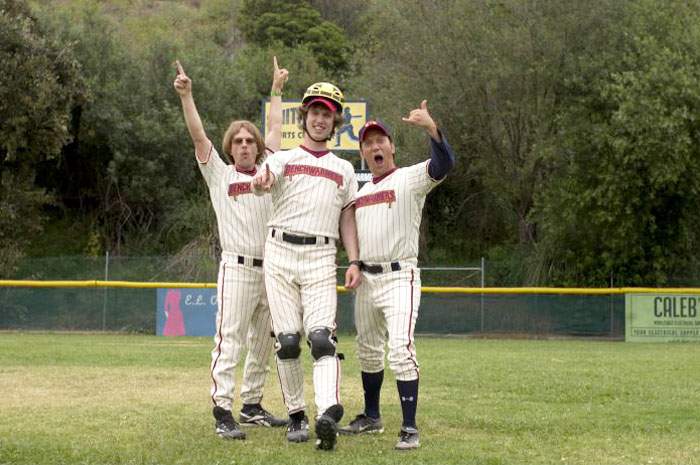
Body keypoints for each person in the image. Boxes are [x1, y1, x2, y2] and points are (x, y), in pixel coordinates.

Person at [173, 57, 289, 440]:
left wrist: (277, 89)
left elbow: (274, 126)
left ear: (257, 148)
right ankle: (223, 409)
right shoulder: (219, 174)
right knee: (230, 339)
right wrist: (187, 96)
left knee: (265, 341)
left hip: (271, 268)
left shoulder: (267, 168)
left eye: (249, 141)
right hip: (237, 268)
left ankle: (252, 405)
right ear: (230, 147)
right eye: (237, 141)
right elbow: (197, 136)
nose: (244, 145)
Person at [250, 82, 362, 451]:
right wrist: (261, 181)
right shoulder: (282, 159)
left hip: (321, 255)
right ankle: (297, 414)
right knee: (287, 342)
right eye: (314, 112)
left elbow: (347, 218)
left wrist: (354, 260)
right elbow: (263, 182)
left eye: (326, 114)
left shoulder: (343, 169)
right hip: (280, 252)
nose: (319, 119)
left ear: (335, 122)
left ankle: (327, 412)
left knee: (320, 339)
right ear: (304, 117)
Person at [338, 101, 456, 450]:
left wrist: (432, 129)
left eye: (380, 141)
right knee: (368, 351)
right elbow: (352, 234)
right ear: (362, 152)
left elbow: (443, 164)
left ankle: (409, 427)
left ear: (391, 146)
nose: (375, 147)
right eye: (368, 143)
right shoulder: (359, 193)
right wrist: (354, 263)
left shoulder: (410, 178)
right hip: (367, 278)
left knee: (401, 349)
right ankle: (372, 417)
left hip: (399, 275)